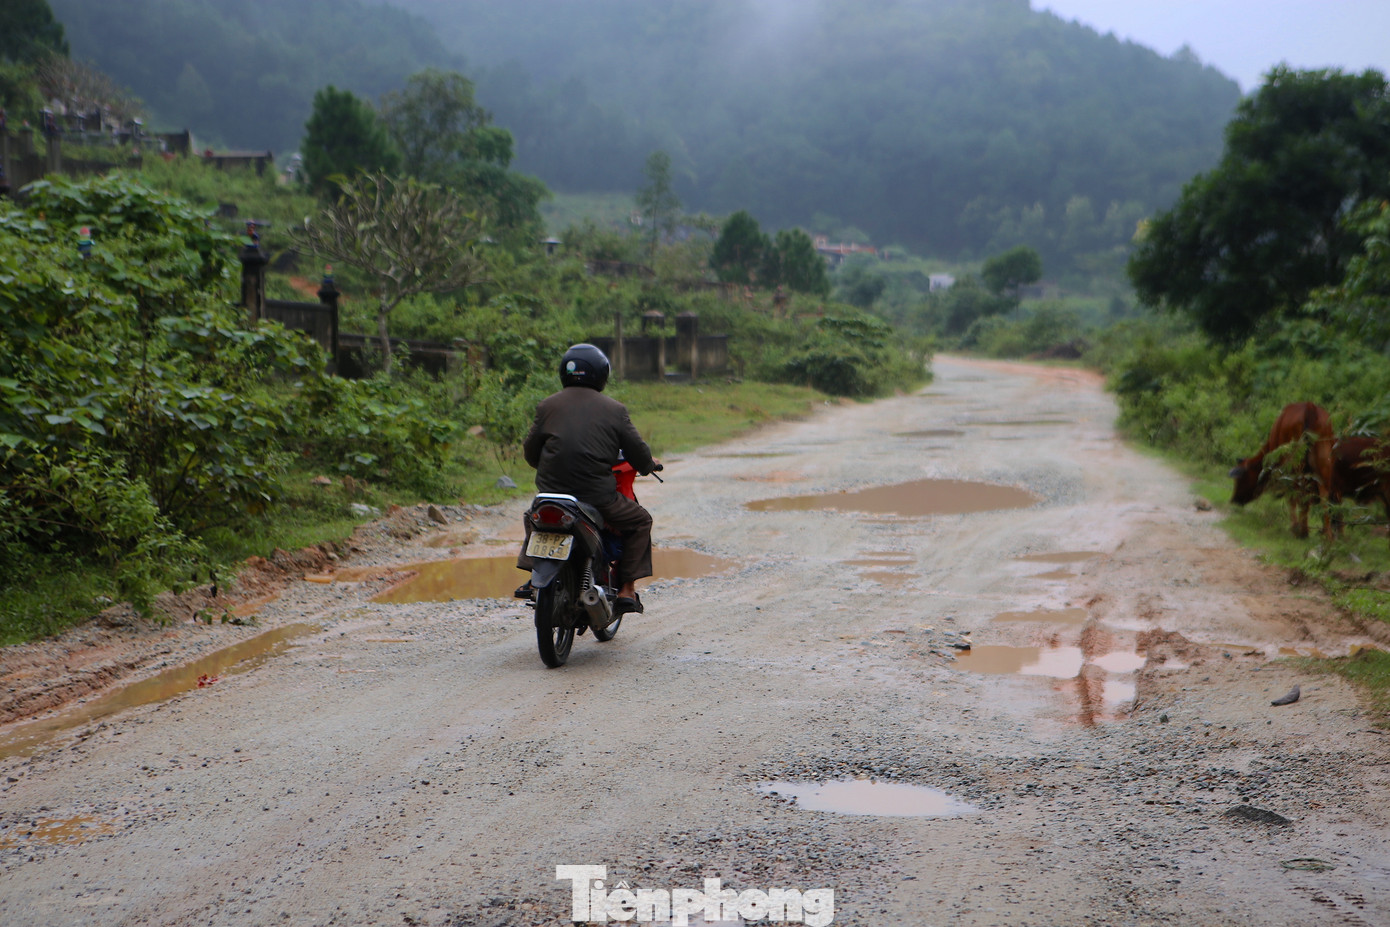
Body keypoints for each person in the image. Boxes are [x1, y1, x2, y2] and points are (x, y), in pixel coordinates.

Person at [515, 344, 661, 615]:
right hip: (597, 498)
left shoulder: (547, 406)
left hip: (551, 495)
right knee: (641, 521)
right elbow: (638, 453)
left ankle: (534, 578)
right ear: (601, 374)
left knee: (533, 516)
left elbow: (531, 452)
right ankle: (627, 590)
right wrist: (647, 465)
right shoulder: (615, 410)